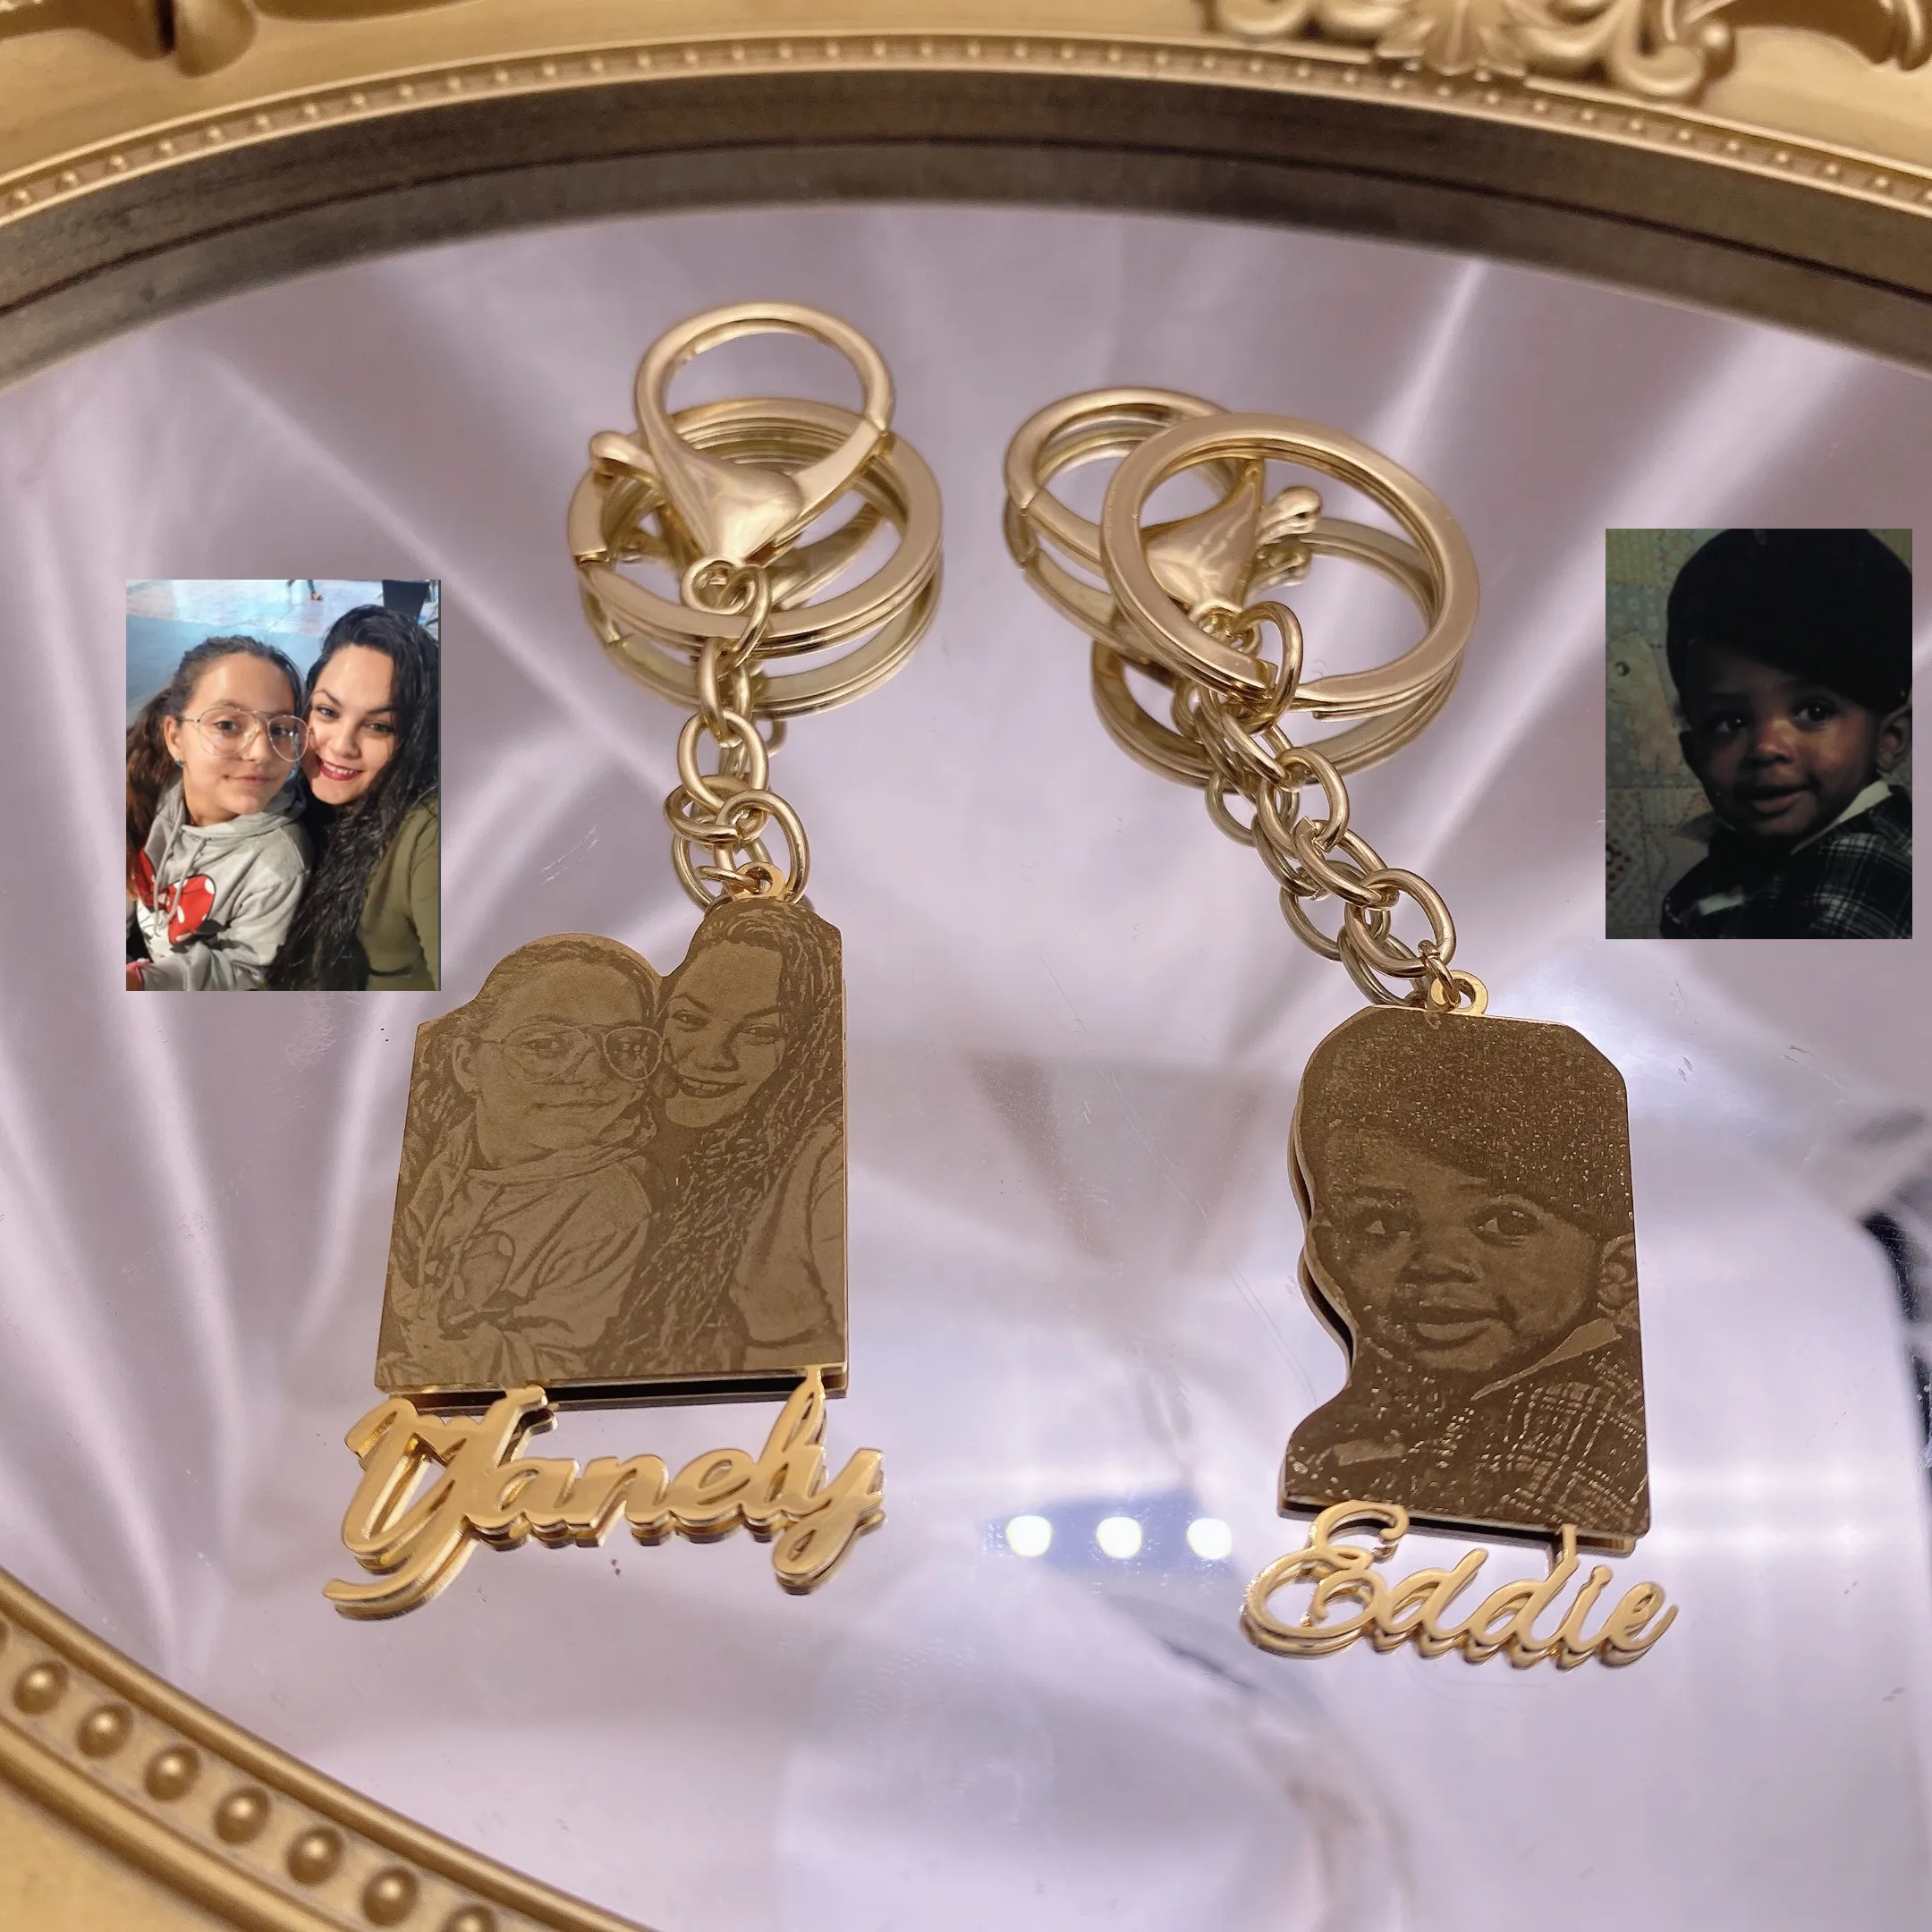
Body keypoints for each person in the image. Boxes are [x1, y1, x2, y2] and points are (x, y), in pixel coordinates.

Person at [1282, 1008, 1648, 1546]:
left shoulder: (1584, 1411)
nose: (1437, 1263)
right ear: (1325, 1246)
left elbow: (1554, 1498)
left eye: (1505, 1224)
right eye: (1380, 1223)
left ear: (1615, 1272)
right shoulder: (1412, 1402)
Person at [377, 934, 662, 1394]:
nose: (593, 1075)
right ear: (468, 1063)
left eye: (626, 1047)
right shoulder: (447, 1153)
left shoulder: (612, 1206)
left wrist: (425, 1358)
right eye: (546, 1045)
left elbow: (556, 1361)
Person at [608, 897, 845, 1384]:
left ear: (806, 1048)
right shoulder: (617, 1138)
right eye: (689, 1020)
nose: (711, 1057)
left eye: (759, 1033)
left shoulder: (823, 1160)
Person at [1660, 529, 1911, 938]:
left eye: (1815, 711)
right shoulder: (1749, 856)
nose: (1766, 748)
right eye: (1728, 722)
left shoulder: (1866, 879)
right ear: (1693, 753)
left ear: (1890, 739)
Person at [267, 605, 440, 990]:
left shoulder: (428, 837)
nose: (342, 745)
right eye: (328, 711)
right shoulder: (284, 801)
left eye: (379, 726)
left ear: (414, 739)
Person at [125, 636, 310, 991]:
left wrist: (144, 983)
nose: (260, 752)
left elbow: (242, 968)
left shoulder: (279, 863)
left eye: (279, 729)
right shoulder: (146, 786)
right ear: (175, 738)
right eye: (227, 725)